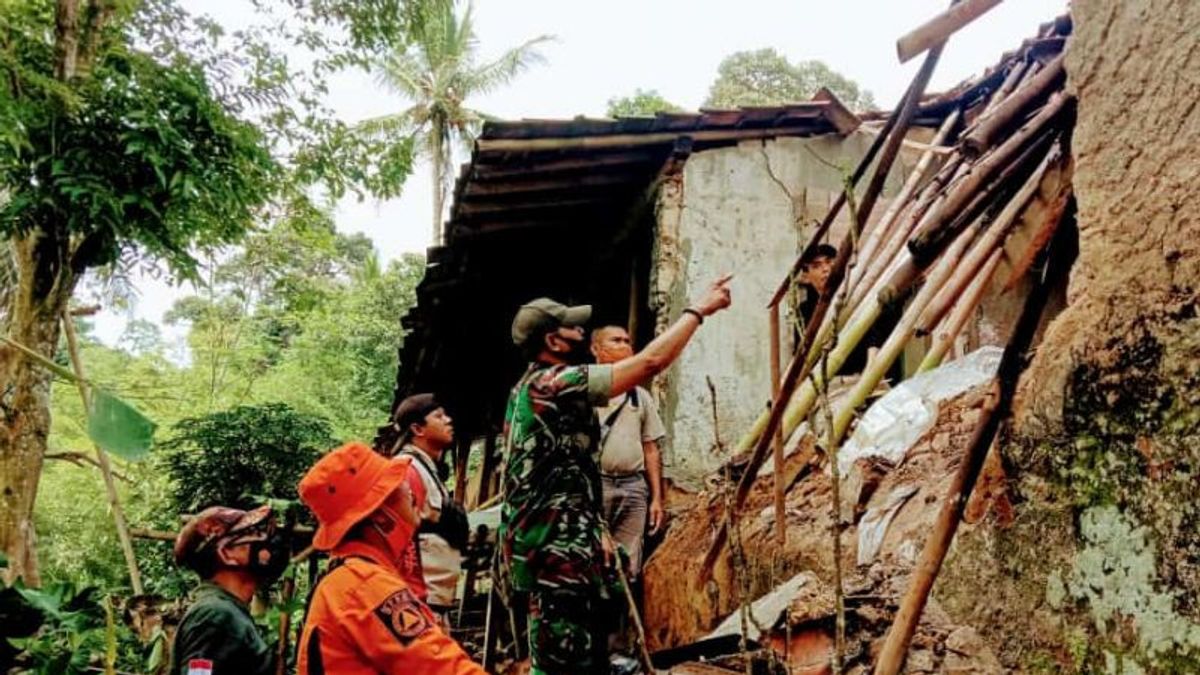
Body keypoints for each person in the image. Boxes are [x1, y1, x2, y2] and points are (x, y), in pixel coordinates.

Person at [498, 275, 732, 675]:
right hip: (554, 555)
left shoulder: (534, 388)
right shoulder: (551, 385)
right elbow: (650, 364)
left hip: (565, 547)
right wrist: (697, 311)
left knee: (582, 656)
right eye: (571, 326)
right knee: (561, 664)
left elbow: (569, 472)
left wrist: (597, 530)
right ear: (553, 342)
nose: (581, 331)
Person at [296, 442, 484, 675]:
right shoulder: (366, 585)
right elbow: (442, 669)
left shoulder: (350, 577)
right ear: (382, 518)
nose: (412, 494)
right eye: (400, 487)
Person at [171, 505, 289, 675]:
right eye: (254, 535)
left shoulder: (229, 611)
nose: (265, 542)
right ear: (226, 553)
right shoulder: (214, 615)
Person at [590, 325, 667, 578]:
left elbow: (651, 449)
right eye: (616, 340)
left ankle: (621, 615)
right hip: (595, 485)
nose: (625, 345)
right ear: (596, 349)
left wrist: (656, 498)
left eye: (627, 341)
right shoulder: (585, 393)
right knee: (592, 558)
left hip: (633, 486)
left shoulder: (639, 396)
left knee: (629, 563)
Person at [390, 393, 470, 622]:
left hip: (433, 603)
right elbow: (398, 540)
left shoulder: (428, 471)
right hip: (417, 604)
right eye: (438, 416)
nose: (448, 420)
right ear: (417, 429)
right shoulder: (407, 470)